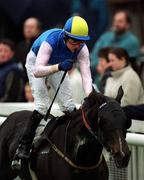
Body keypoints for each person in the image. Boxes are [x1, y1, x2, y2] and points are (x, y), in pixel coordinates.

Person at [13, 16, 93, 162]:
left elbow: (86, 77)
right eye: (74, 41)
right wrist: (59, 66)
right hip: (36, 62)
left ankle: (72, 141)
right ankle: (22, 148)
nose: (77, 46)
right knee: (42, 105)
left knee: (68, 105)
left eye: (81, 42)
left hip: (57, 64)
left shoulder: (82, 48)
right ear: (65, 36)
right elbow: (37, 71)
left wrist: (90, 96)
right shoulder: (50, 42)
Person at [91, 10, 140, 81]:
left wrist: (107, 67)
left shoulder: (132, 42)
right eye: (115, 21)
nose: (116, 24)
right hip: (99, 78)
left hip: (121, 79)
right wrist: (99, 66)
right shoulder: (105, 37)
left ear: (128, 25)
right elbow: (93, 56)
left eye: (120, 21)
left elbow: (129, 65)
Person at [15, 17, 42, 82]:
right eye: (26, 27)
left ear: (38, 30)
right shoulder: (20, 46)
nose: (28, 29)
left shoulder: (42, 45)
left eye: (32, 27)